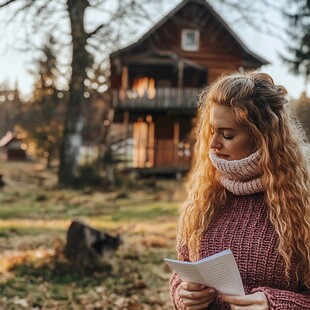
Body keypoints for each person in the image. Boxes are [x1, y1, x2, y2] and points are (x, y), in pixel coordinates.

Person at [170, 71, 310, 309]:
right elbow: (183, 267)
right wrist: (183, 294)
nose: (213, 144)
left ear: (263, 137)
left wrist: (275, 304)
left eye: (227, 135)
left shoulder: (301, 203)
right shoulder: (205, 195)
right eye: (212, 131)